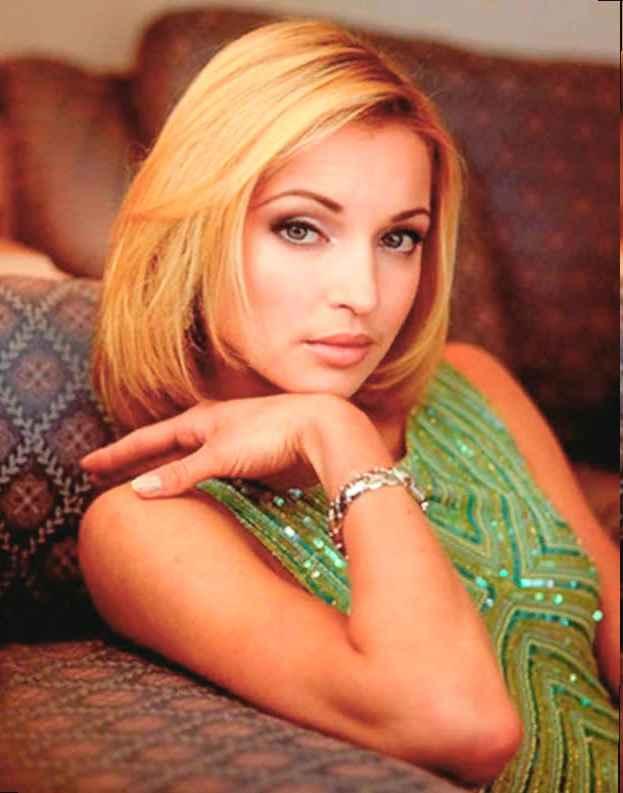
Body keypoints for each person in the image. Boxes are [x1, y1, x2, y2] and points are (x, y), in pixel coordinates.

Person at [77, 18, 619, 791]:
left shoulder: (470, 383)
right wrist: (339, 434)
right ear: (196, 231)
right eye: (301, 228)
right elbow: (465, 725)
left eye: (398, 239)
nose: (362, 294)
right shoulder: (148, 527)